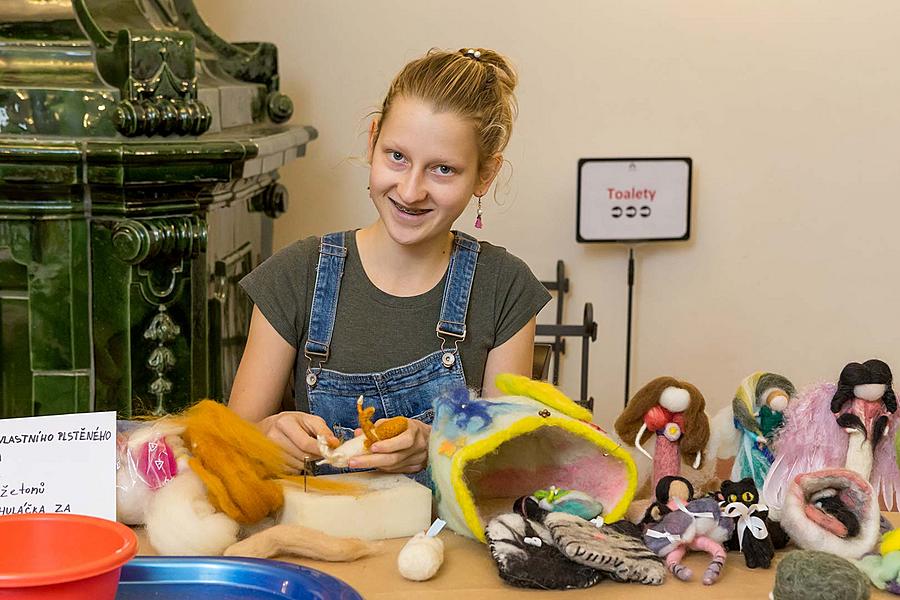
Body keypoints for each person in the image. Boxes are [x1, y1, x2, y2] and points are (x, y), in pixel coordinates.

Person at [228, 47, 551, 476]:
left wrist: (436, 446)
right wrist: (263, 437)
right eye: (397, 156)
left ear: (485, 175)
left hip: (439, 542)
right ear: (373, 139)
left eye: (443, 170)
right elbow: (230, 446)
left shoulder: (505, 289)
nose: (411, 190)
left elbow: (502, 474)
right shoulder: (296, 275)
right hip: (316, 535)